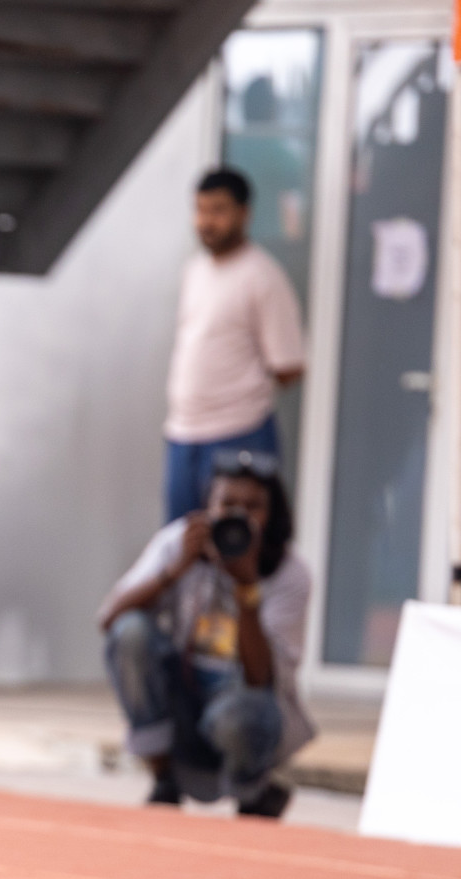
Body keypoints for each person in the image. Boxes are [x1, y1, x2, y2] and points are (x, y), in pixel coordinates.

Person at [98, 450, 315, 818]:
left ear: (273, 514)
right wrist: (176, 568)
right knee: (131, 632)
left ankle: (252, 792)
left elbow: (260, 679)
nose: (239, 517)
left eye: (253, 506)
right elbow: (109, 619)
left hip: (242, 705)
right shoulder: (181, 542)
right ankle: (163, 780)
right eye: (227, 503)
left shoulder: (290, 572)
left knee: (246, 712)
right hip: (185, 696)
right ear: (207, 507)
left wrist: (246, 586)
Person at [164, 168, 305, 522]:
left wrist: (236, 393)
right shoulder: (195, 269)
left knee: (235, 547)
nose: (206, 221)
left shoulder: (262, 276)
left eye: (218, 210)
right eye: (200, 210)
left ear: (245, 213)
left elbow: (288, 366)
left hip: (238, 434)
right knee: (183, 545)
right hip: (183, 432)